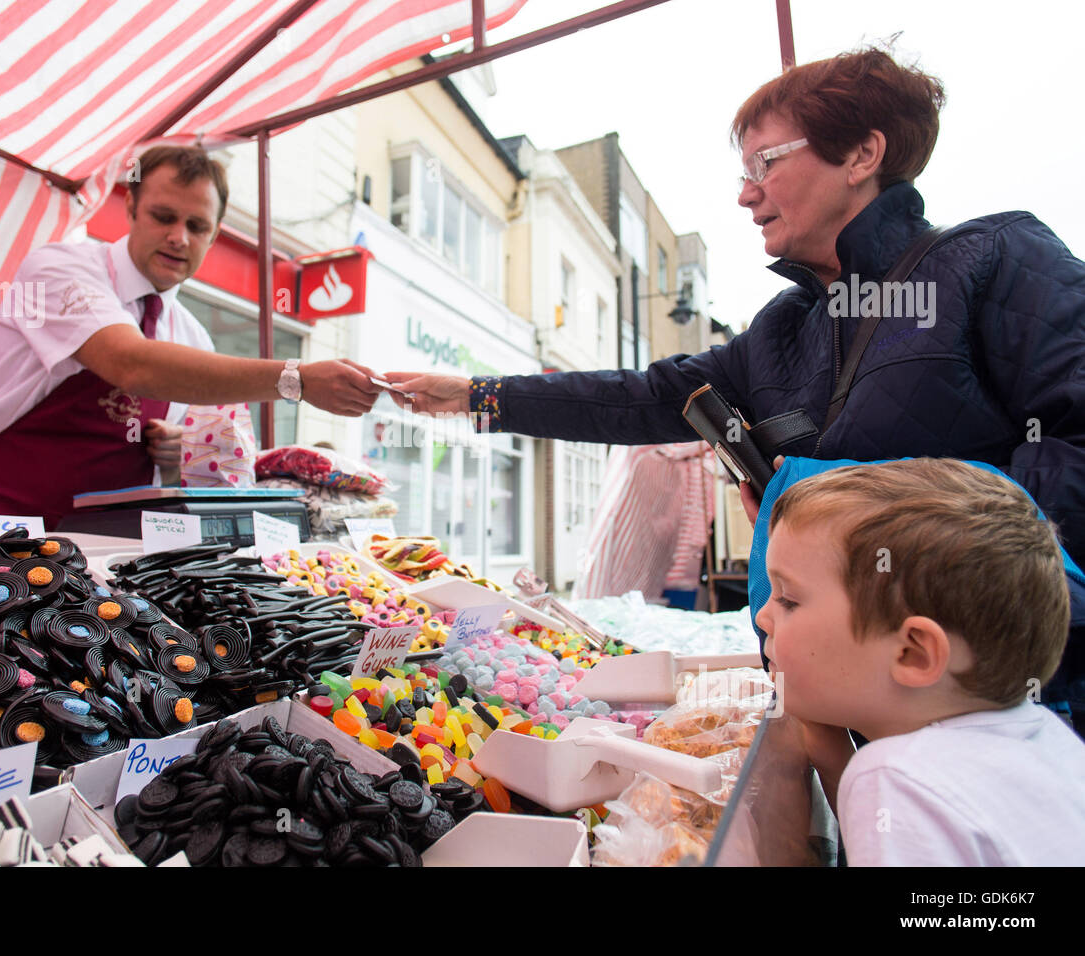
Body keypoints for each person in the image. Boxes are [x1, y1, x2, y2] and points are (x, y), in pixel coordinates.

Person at [386, 47, 1085, 722]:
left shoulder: (995, 258)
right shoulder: (779, 331)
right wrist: (479, 396)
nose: (745, 191)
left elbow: (1073, 441)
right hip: (844, 708)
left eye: (765, 163)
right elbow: (642, 397)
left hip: (1000, 705)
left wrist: (936, 578)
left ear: (862, 156)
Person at [0, 145, 383, 525]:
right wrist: (297, 378)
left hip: (95, 547)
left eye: (196, 226)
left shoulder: (193, 336)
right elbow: (131, 363)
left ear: (214, 233)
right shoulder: (60, 268)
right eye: (163, 217)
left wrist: (176, 453)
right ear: (129, 207)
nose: (178, 238)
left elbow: (202, 470)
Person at [754, 458, 1085, 865]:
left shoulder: (896, 779)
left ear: (913, 653)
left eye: (788, 599)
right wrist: (829, 748)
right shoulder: (1046, 737)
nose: (762, 616)